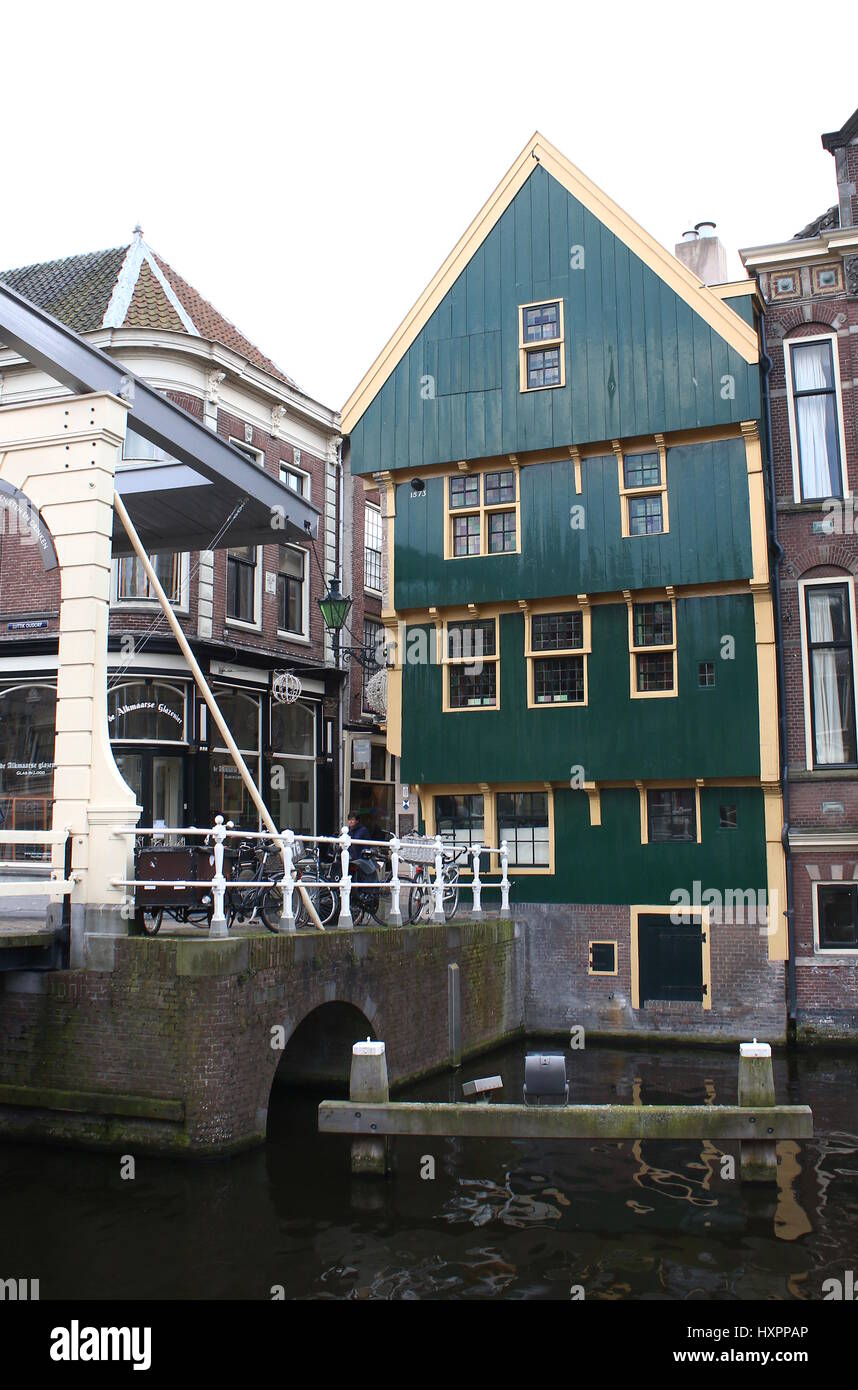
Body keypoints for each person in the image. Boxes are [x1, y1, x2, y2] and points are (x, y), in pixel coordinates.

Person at [347, 809, 377, 884]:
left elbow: (356, 840)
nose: (350, 821)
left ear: (357, 821)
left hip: (361, 857)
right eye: (349, 820)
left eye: (352, 820)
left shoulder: (362, 830)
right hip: (353, 857)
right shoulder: (348, 830)